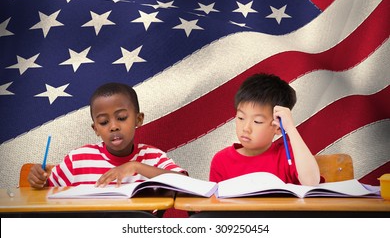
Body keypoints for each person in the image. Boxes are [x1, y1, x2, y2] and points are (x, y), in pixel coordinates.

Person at [28, 82, 188, 189]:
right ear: (95, 129)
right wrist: (38, 180)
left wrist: (134, 166)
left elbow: (185, 184)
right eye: (104, 122)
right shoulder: (78, 159)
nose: (113, 127)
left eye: (121, 118)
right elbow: (45, 191)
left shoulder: (152, 158)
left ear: (138, 119)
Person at [209, 73, 320, 186]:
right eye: (241, 118)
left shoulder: (288, 154)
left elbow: (311, 182)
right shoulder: (222, 161)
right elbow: (214, 202)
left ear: (278, 127)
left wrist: (290, 128)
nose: (246, 128)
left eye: (257, 121)